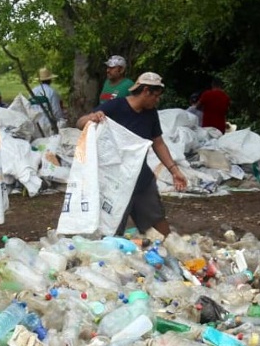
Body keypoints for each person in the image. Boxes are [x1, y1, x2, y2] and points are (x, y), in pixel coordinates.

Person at [76, 72, 188, 236]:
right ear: (146, 91)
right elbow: (80, 123)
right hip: (114, 182)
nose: (157, 100)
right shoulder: (115, 107)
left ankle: (168, 249)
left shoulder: (150, 114)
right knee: (112, 230)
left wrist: (174, 170)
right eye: (155, 96)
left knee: (157, 223)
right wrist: (92, 118)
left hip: (141, 179)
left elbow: (158, 143)